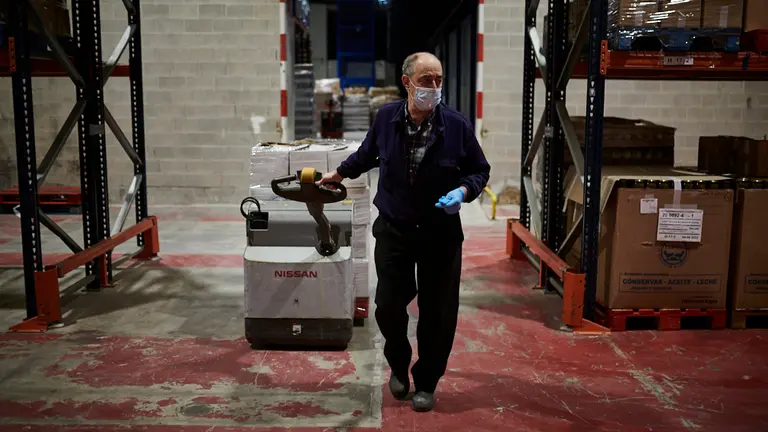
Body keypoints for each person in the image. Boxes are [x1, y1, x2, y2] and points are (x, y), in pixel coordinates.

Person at [317, 52, 491, 412]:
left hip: (440, 233)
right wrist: (339, 174)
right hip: (395, 229)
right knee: (389, 306)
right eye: (426, 80)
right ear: (407, 82)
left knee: (438, 312)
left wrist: (462, 192)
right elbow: (366, 155)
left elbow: (478, 170)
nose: (433, 87)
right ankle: (398, 364)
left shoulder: (456, 126)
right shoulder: (386, 119)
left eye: (439, 80)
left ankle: (426, 381)